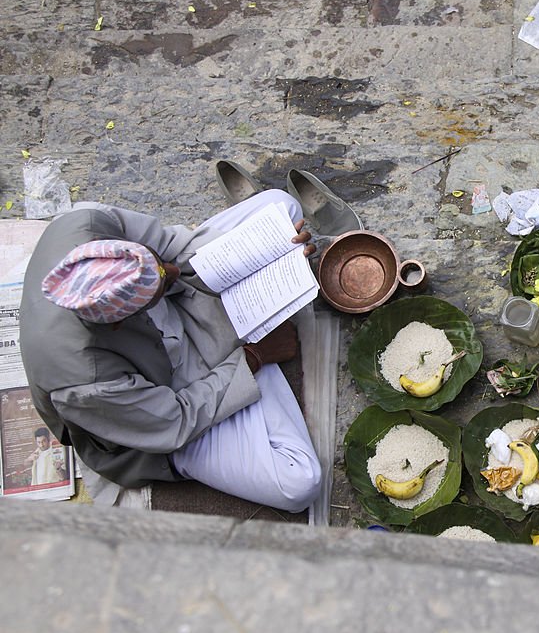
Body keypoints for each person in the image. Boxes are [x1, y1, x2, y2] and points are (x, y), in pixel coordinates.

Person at [19, 190, 322, 512]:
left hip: (186, 311)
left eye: (157, 264)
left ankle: (250, 338)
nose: (172, 272)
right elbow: (176, 418)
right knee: (299, 483)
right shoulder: (84, 382)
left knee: (280, 208)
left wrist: (267, 250)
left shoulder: (85, 223)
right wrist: (254, 358)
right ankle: (254, 347)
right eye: (160, 286)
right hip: (168, 397)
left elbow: (173, 249)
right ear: (121, 323)